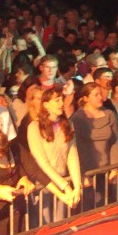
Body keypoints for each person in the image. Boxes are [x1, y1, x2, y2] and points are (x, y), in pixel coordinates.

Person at [27, 88, 82, 220]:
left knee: (62, 222)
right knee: (45, 225)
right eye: (57, 100)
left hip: (64, 180)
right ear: (46, 105)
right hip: (44, 185)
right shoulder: (34, 127)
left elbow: (72, 156)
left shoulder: (67, 124)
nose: (61, 103)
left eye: (62, 99)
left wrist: (77, 186)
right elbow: (43, 162)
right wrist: (65, 186)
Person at [71, 83, 118, 210]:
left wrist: (114, 168)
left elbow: (114, 142)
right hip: (88, 172)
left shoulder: (109, 114)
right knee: (90, 209)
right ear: (85, 98)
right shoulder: (77, 118)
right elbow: (76, 148)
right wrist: (83, 174)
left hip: (107, 170)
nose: (100, 97)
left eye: (100, 94)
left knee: (109, 206)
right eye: (96, 95)